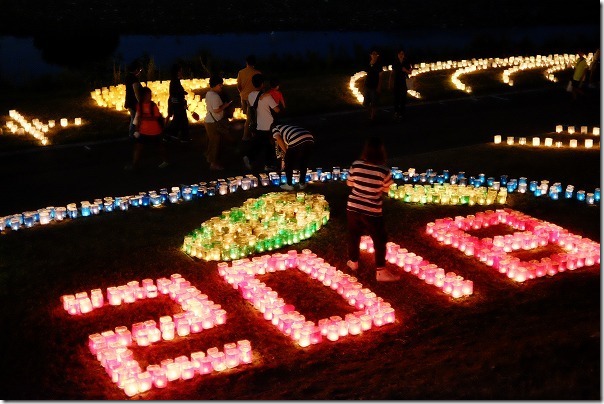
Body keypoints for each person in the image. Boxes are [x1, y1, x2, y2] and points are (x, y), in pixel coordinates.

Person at [346, 136, 399, 282]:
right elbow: (387, 189)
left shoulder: (356, 165)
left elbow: (349, 183)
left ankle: (353, 262)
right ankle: (380, 271)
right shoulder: (384, 171)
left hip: (353, 207)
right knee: (379, 239)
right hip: (372, 210)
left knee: (354, 235)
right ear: (382, 152)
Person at [125, 86, 168, 170]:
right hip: (143, 131)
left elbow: (156, 117)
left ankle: (166, 161)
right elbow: (138, 118)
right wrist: (137, 130)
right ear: (143, 96)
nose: (150, 96)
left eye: (150, 95)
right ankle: (135, 165)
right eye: (148, 95)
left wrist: (145, 117)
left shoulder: (153, 105)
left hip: (155, 131)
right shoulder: (139, 106)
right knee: (138, 148)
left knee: (159, 147)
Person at [247, 73, 280, 171]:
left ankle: (250, 158)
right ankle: (268, 165)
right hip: (268, 124)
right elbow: (277, 110)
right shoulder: (266, 96)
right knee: (269, 145)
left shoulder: (250, 95)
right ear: (262, 84)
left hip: (258, 124)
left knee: (259, 143)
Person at [272, 124, 314, 191]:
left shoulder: (274, 128)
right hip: (309, 137)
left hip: (295, 138)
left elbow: (279, 139)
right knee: (303, 161)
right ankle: (302, 184)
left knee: (288, 162)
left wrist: (286, 153)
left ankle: (289, 184)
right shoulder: (287, 128)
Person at [204, 75, 233, 170]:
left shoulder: (208, 93)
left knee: (212, 141)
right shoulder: (215, 96)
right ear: (215, 85)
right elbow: (216, 110)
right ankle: (213, 163)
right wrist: (225, 105)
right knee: (215, 142)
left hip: (209, 120)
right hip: (213, 122)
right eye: (220, 85)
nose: (221, 87)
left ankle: (209, 158)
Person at [165, 63, 192, 143]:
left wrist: (183, 92)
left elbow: (176, 92)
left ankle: (176, 136)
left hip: (178, 104)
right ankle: (172, 136)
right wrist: (182, 100)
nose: (181, 72)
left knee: (179, 120)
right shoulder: (174, 82)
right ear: (177, 72)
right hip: (178, 105)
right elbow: (175, 94)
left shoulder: (176, 81)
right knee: (180, 120)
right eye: (180, 71)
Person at [237, 55, 261, 142]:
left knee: (249, 117)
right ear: (254, 63)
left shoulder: (241, 72)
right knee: (252, 117)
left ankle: (251, 133)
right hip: (254, 98)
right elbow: (260, 86)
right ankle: (246, 135)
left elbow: (238, 86)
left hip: (244, 97)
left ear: (246, 62)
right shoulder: (258, 73)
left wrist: (242, 93)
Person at [389, 49, 413, 120]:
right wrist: (390, 83)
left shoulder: (406, 62)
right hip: (396, 81)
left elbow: (409, 72)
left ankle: (402, 112)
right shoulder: (395, 62)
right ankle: (396, 112)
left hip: (404, 81)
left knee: (403, 98)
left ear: (404, 55)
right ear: (398, 55)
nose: (401, 55)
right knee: (396, 98)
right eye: (400, 54)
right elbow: (392, 73)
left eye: (402, 54)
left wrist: (406, 70)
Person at [363, 49, 384, 122]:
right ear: (371, 55)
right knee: (365, 103)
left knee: (374, 102)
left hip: (374, 86)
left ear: (377, 56)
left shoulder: (379, 64)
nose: (374, 56)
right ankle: (371, 114)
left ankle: (372, 118)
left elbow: (381, 76)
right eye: (373, 54)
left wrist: (379, 86)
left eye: (376, 54)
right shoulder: (369, 64)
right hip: (367, 85)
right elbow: (367, 74)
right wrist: (364, 83)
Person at [124, 60, 143, 138]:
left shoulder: (128, 77)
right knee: (135, 119)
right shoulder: (134, 79)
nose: (139, 72)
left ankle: (133, 134)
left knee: (134, 118)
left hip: (129, 101)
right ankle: (132, 135)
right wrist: (140, 102)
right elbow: (136, 92)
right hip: (134, 103)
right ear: (136, 69)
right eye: (139, 70)